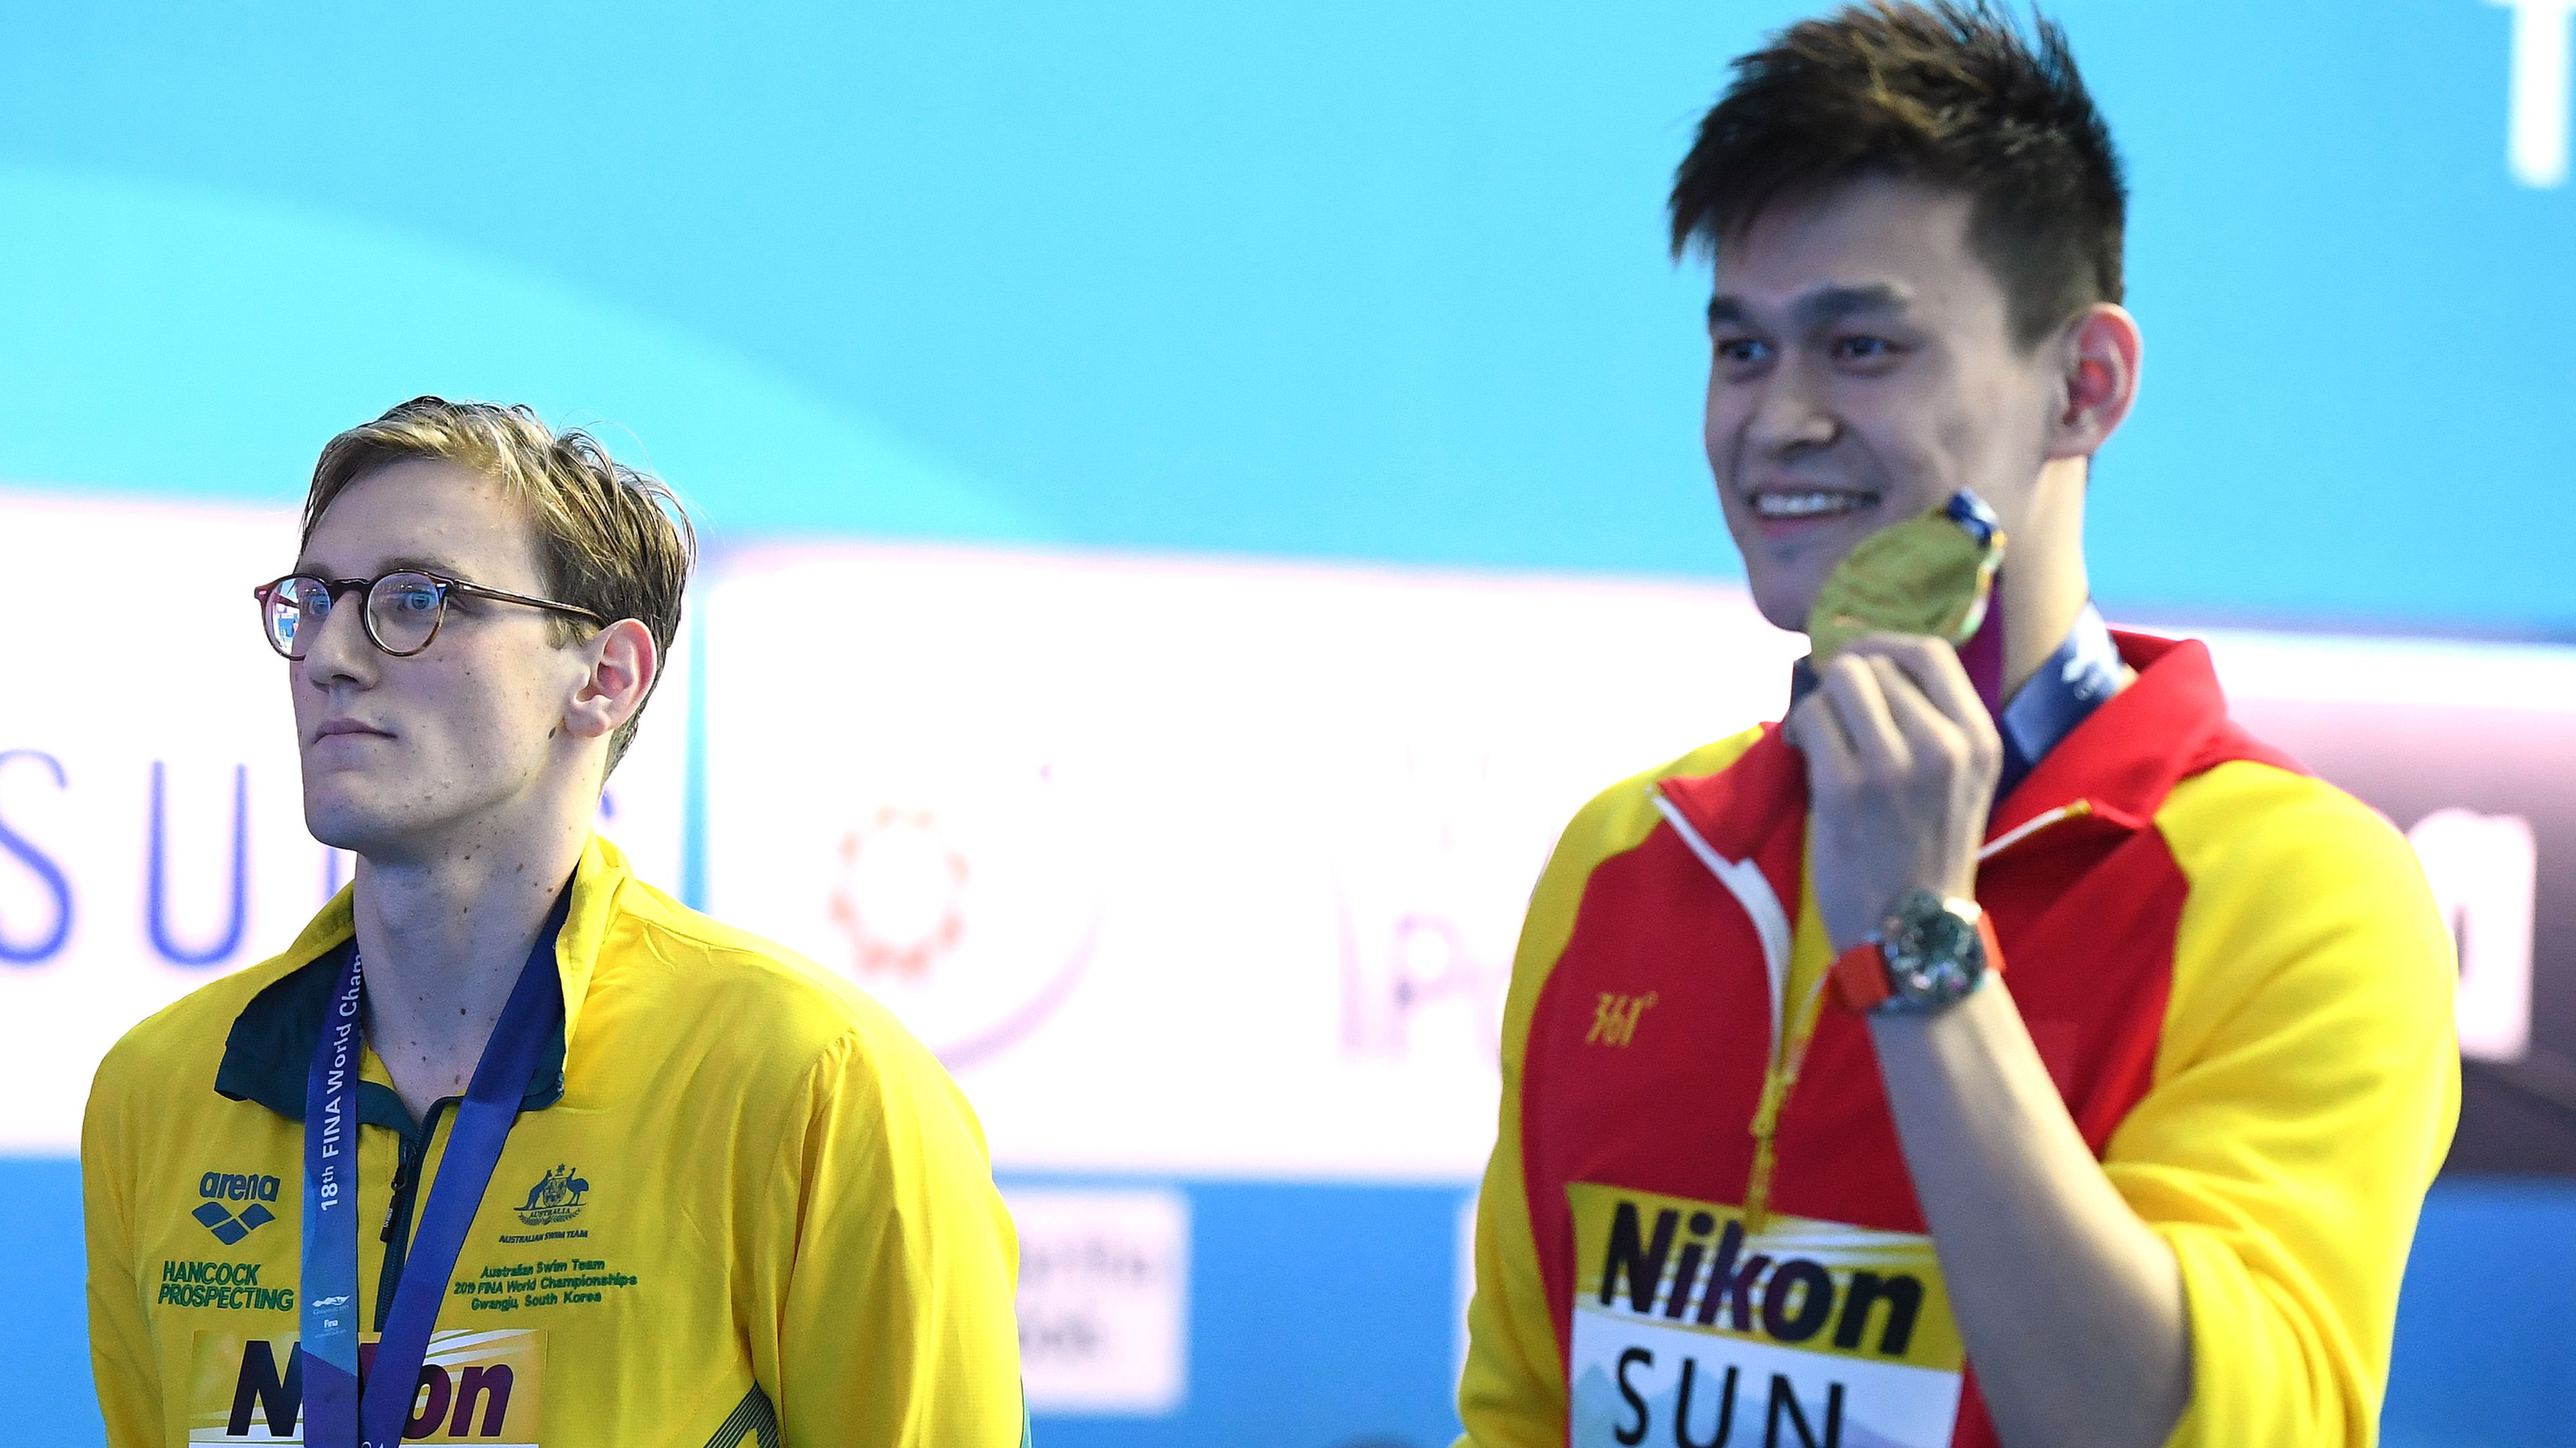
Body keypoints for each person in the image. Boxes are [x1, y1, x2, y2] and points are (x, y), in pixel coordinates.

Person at [1454, 6, 2458, 1447]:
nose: (1775, 419)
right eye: (1742, 349)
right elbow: (1524, 1414)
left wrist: (1920, 942)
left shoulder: (2300, 895)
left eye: (1861, 347)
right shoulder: (1628, 860)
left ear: (2083, 385)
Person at [82, 398, 1028, 1447]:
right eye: (314, 601)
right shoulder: (159, 1091)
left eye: (415, 600)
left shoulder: (812, 1083)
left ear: (605, 677)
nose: (331, 656)